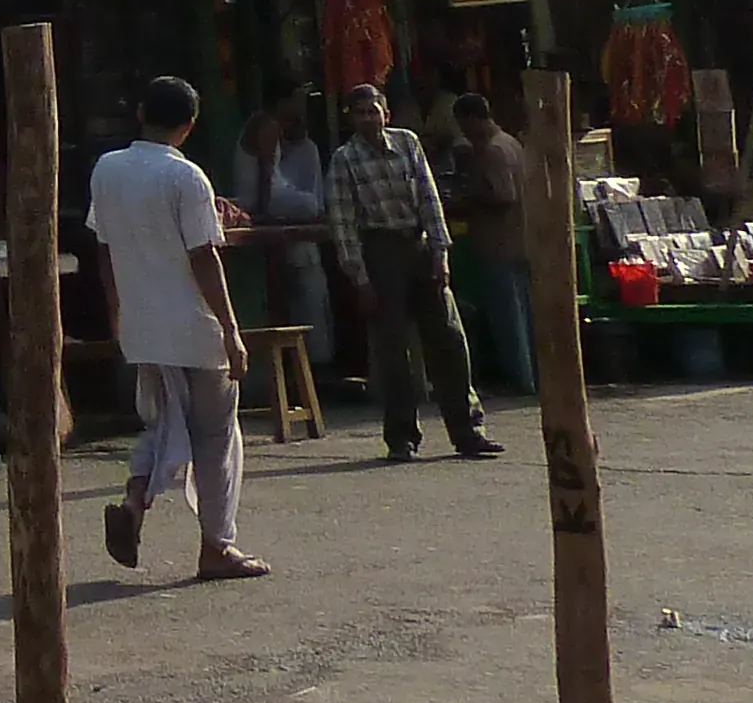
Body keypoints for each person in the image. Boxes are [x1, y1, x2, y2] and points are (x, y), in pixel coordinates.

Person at [91, 75, 269, 583]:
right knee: (215, 436)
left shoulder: (108, 170)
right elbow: (204, 257)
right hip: (194, 327)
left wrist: (117, 310)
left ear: (141, 112)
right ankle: (218, 544)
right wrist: (232, 330)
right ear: (189, 127)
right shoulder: (187, 178)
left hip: (144, 323)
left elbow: (104, 249)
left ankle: (135, 497)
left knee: (162, 423)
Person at [328, 84, 500, 462]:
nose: (368, 119)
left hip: (419, 245)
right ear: (351, 118)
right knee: (394, 351)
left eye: (374, 111)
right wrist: (359, 277)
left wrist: (441, 252)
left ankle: (468, 431)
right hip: (380, 250)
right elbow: (343, 223)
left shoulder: (407, 143)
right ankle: (401, 436)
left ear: (386, 113)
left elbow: (428, 196)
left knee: (449, 339)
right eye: (360, 113)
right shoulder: (344, 160)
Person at [229, 98, 335, 370]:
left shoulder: (289, 139)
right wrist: (264, 213)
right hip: (264, 201)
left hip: (266, 200)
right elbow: (266, 175)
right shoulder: (267, 125)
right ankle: (316, 361)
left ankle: (314, 359)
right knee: (310, 205)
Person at [446, 94, 539, 396]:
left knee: (509, 319)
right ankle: (528, 376)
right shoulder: (511, 143)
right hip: (519, 240)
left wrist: (467, 199)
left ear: (471, 119)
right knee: (521, 315)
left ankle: (520, 378)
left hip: (502, 242)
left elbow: (503, 195)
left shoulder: (494, 150)